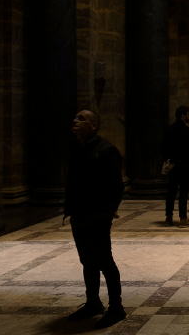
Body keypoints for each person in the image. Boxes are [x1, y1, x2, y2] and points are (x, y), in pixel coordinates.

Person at [65, 110, 126, 329]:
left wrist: (110, 210)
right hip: (79, 215)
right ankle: (93, 303)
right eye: (76, 117)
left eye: (82, 119)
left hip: (98, 216)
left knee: (104, 262)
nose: (75, 120)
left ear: (94, 126)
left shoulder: (107, 151)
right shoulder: (75, 148)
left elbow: (117, 186)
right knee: (87, 262)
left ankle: (116, 308)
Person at [161, 105, 189, 227]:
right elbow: (186, 149)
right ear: (183, 116)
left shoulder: (169, 129)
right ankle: (183, 218)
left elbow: (163, 147)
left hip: (172, 166)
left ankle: (168, 218)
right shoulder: (186, 130)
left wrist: (168, 161)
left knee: (171, 192)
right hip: (184, 165)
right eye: (188, 114)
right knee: (183, 193)